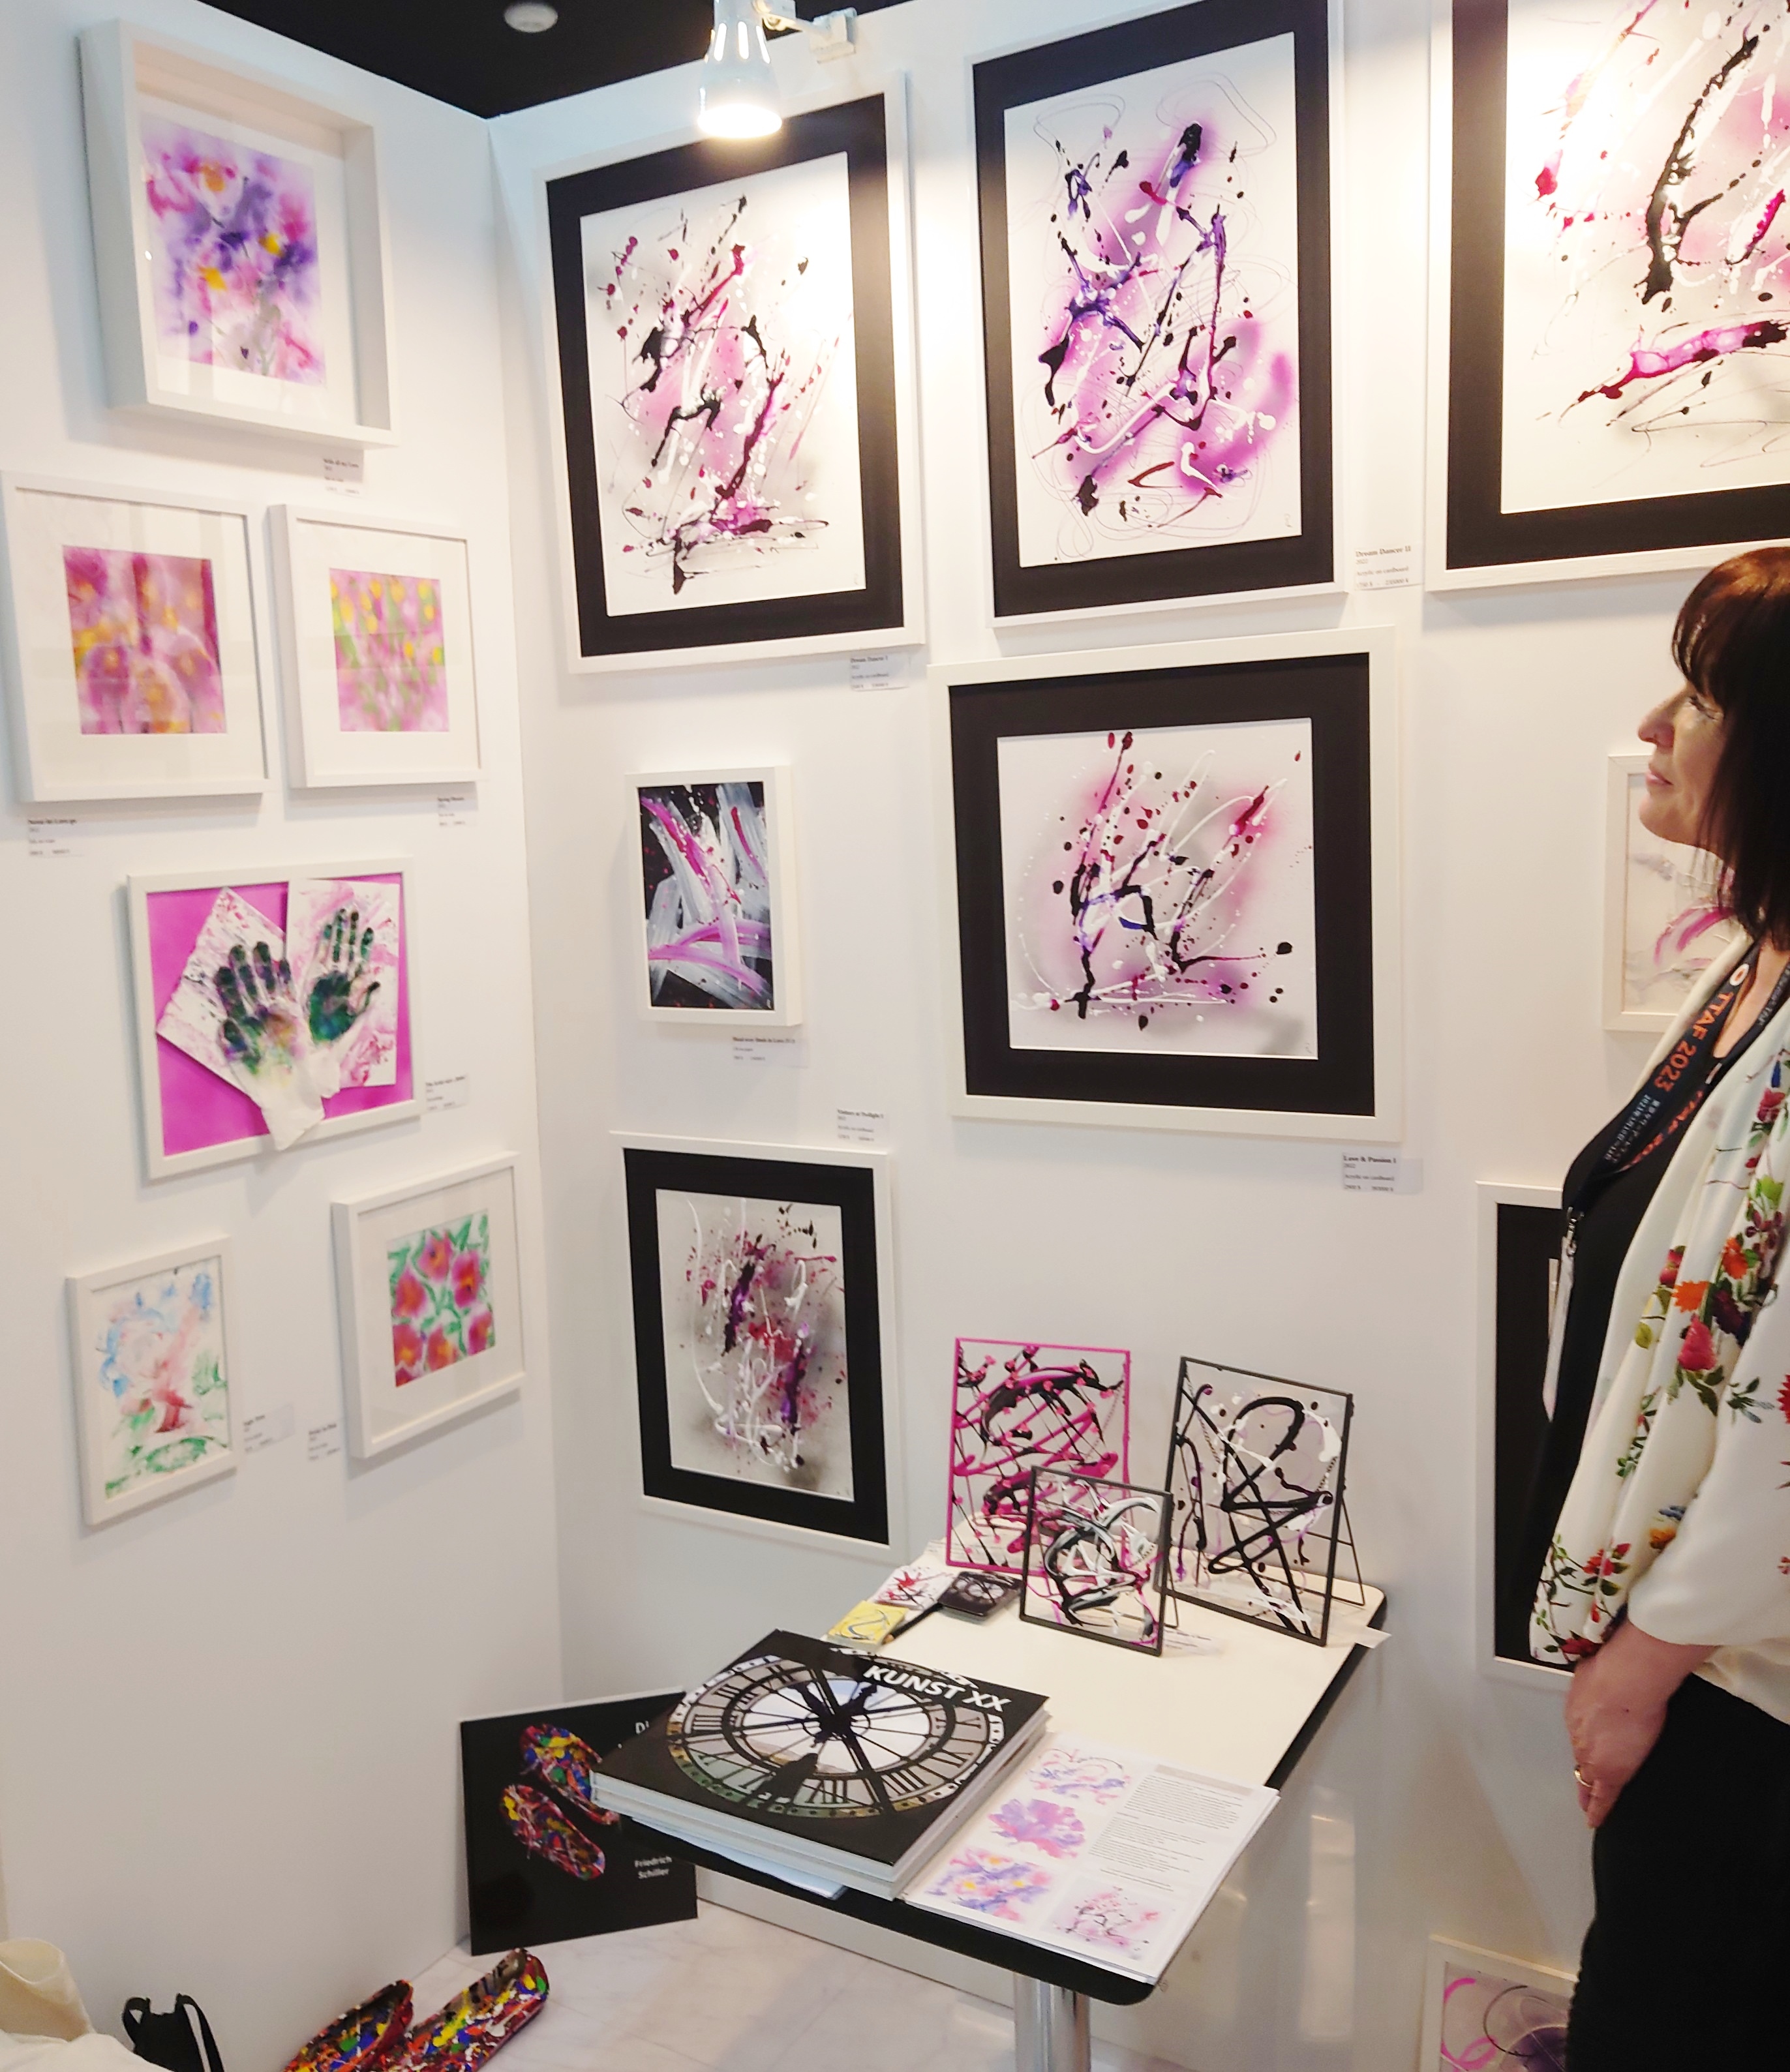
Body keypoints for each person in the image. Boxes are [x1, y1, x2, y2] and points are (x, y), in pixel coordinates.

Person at [1523, 547, 1790, 2064]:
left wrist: (1650, 1654)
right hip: (1686, 1654)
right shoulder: (1752, 969)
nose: (1650, 724)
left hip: (1743, 1692)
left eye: (1695, 696)